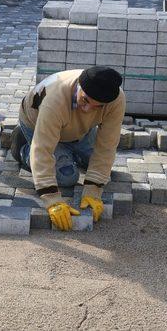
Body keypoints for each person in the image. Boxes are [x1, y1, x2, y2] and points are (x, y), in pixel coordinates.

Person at [10, 67, 125, 231]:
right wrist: (52, 199)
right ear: (79, 86)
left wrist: (93, 189)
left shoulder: (115, 99)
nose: (87, 109)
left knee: (103, 171)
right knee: (67, 178)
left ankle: (66, 151)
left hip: (78, 131)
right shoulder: (55, 99)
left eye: (97, 107)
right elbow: (42, 149)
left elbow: (107, 146)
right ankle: (22, 147)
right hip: (36, 123)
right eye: (85, 100)